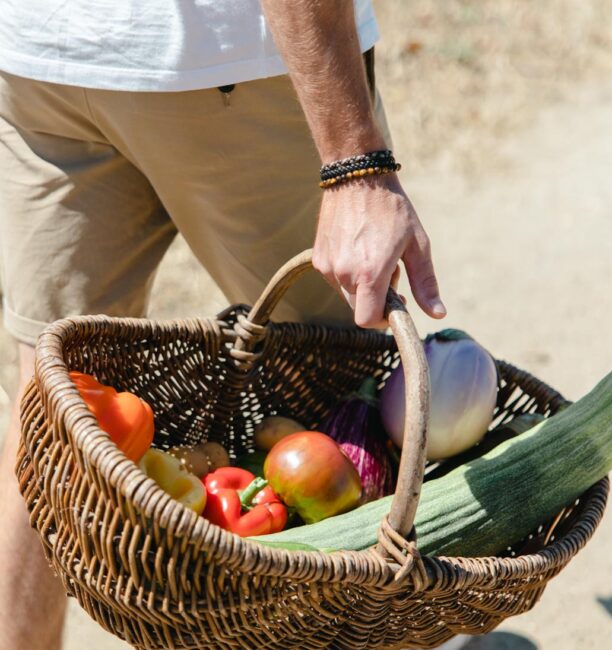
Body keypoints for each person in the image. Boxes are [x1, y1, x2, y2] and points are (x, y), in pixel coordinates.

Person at [0, 2, 446, 648]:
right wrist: (355, 165)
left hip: (46, 59)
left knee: (55, 411)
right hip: (222, 65)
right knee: (339, 411)